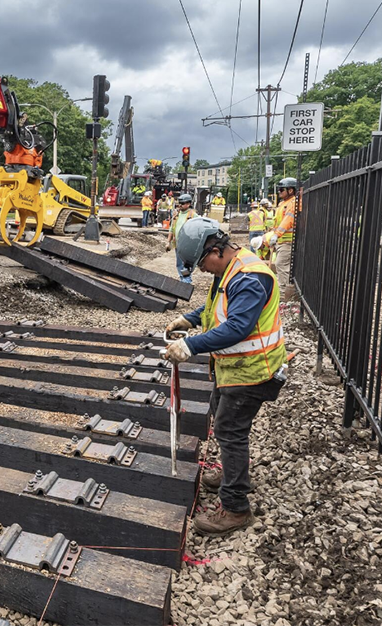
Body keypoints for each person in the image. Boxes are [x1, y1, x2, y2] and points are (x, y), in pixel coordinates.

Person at [163, 217, 286, 535]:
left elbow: (237, 327)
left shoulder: (248, 276)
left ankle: (235, 508)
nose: (202, 270)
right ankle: (233, 474)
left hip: (251, 372)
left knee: (231, 432)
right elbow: (218, 308)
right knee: (223, 420)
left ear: (215, 250)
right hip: (233, 370)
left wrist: (189, 346)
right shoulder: (230, 270)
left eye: (202, 263)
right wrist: (188, 320)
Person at [264, 178, 299, 298]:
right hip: (281, 241)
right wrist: (273, 235)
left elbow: (288, 221)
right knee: (282, 265)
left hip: (288, 241)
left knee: (281, 265)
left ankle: (284, 294)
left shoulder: (293, 202)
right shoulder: (282, 204)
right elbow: (277, 222)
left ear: (291, 190)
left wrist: (277, 234)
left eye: (281, 189)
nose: (279, 192)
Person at [166, 193, 194, 282]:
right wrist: (168, 242)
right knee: (179, 264)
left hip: (187, 245)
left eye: (182, 203)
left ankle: (186, 281)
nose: (180, 205)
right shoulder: (176, 214)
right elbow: (171, 229)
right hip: (178, 244)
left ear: (188, 204)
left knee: (186, 264)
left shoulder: (193, 215)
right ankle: (183, 279)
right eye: (179, 203)